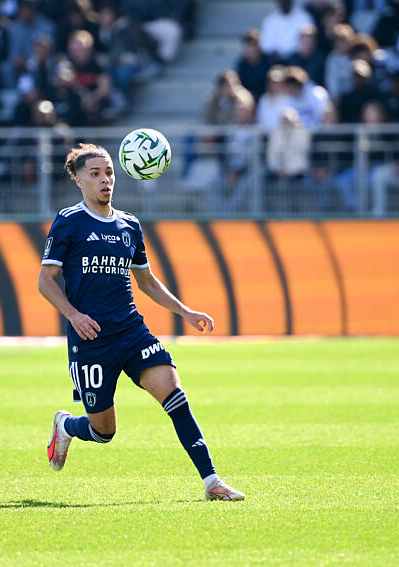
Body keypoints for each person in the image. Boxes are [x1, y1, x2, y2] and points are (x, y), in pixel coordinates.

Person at [39, 143, 245, 502]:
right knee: (104, 432)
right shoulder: (69, 221)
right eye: (95, 174)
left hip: (132, 331)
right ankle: (66, 425)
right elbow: (45, 280)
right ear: (78, 180)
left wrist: (186, 311)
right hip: (92, 340)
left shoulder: (129, 225)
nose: (105, 180)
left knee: (176, 397)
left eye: (109, 174)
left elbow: (146, 281)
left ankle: (213, 482)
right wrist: (73, 315)